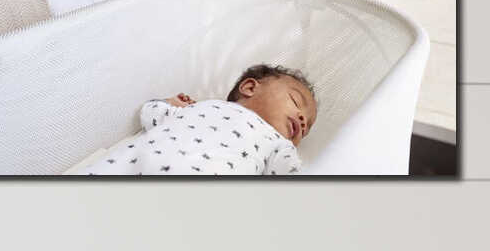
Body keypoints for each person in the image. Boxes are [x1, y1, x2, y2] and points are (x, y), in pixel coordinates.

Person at [84, 65, 316, 176]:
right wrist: (169, 103)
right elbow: (151, 113)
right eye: (296, 101)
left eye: (306, 130)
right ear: (249, 87)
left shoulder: (278, 143)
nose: (303, 120)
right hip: (136, 164)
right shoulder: (201, 106)